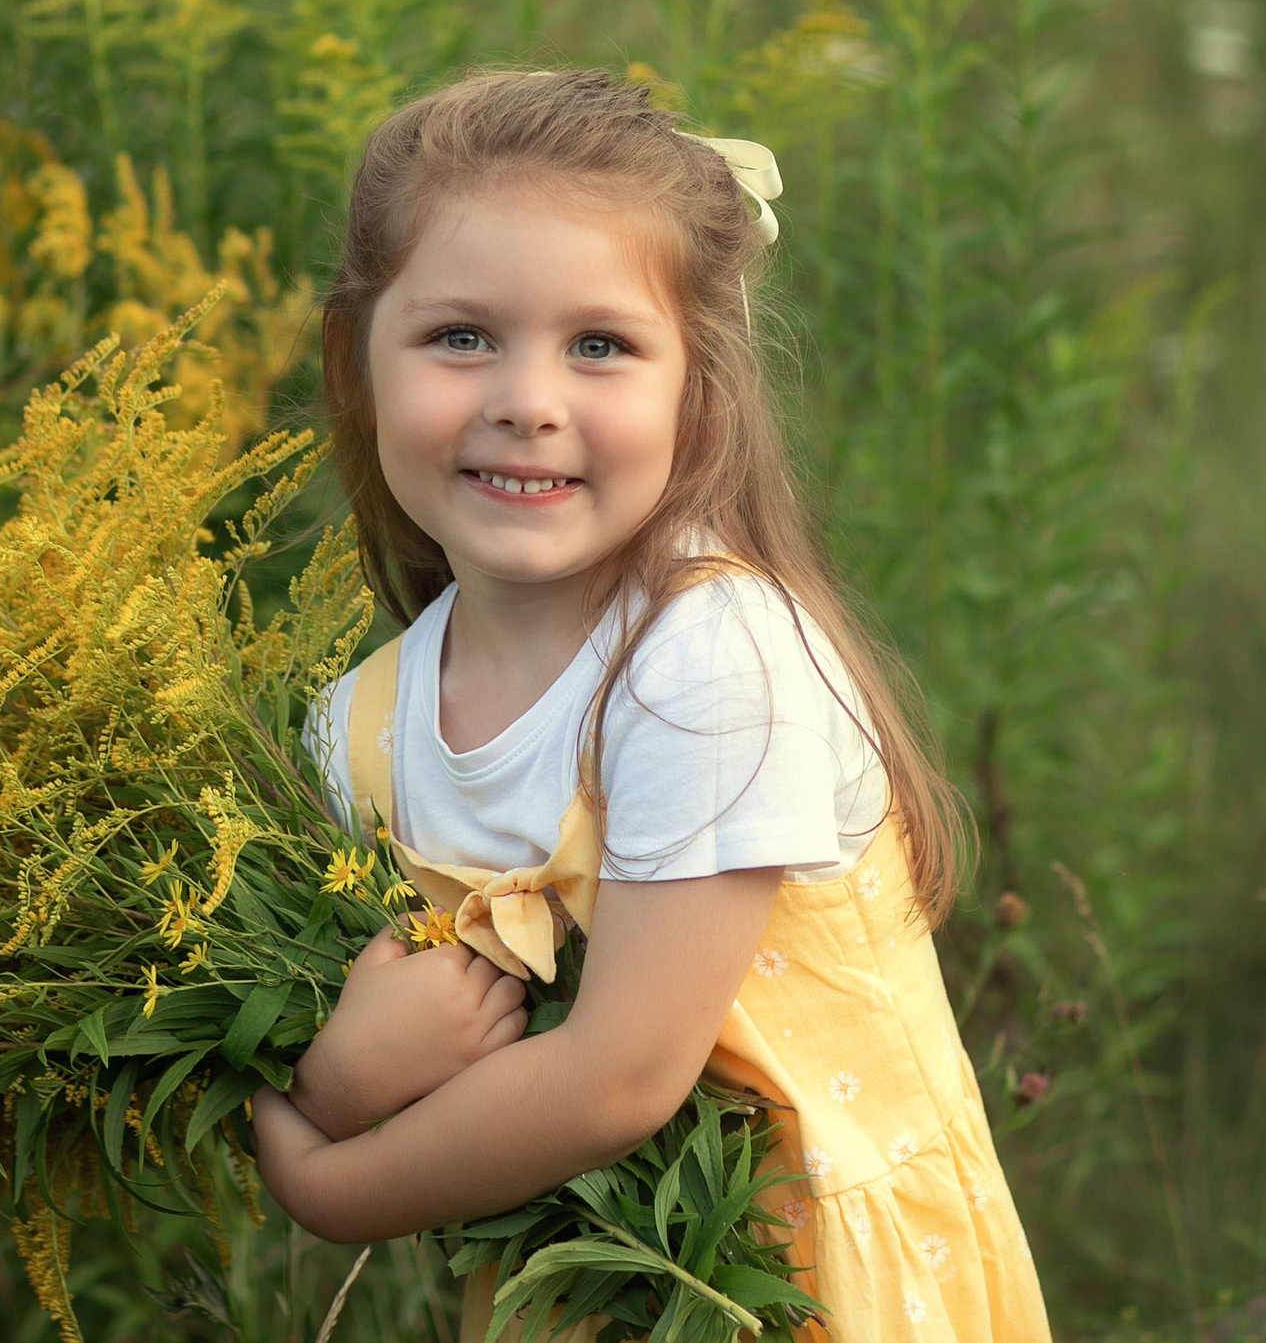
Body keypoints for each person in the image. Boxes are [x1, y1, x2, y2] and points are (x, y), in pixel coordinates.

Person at [249, 69, 1050, 1341]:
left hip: (806, 1285)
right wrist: (338, 1071)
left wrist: (324, 1174)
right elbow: (310, 1002)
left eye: (600, 344)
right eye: (461, 335)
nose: (528, 397)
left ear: (701, 386)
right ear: (356, 359)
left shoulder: (708, 661)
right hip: (578, 1298)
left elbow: (617, 1074)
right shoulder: (358, 725)